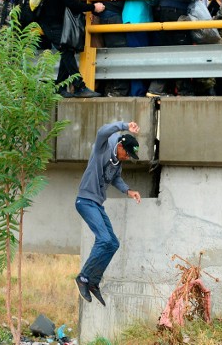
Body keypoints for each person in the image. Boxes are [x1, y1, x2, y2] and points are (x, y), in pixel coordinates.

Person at [74, 120, 142, 306]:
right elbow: (102, 130)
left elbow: (116, 178)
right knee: (103, 239)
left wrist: (128, 191)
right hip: (85, 201)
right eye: (127, 153)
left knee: (113, 243)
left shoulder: (117, 162)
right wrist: (124, 125)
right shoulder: (103, 148)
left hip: (97, 204)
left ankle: (93, 281)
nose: (127, 157)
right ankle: (83, 277)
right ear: (120, 146)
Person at [39, 0, 104, 98]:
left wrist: (86, 11)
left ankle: (59, 87)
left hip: (59, 20)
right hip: (50, 22)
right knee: (67, 50)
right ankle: (79, 87)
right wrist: (93, 8)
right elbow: (71, 3)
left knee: (67, 51)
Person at [122, 0, 166, 96]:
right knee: (137, 58)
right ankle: (136, 94)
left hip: (149, 19)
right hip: (134, 18)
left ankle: (145, 92)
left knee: (148, 58)